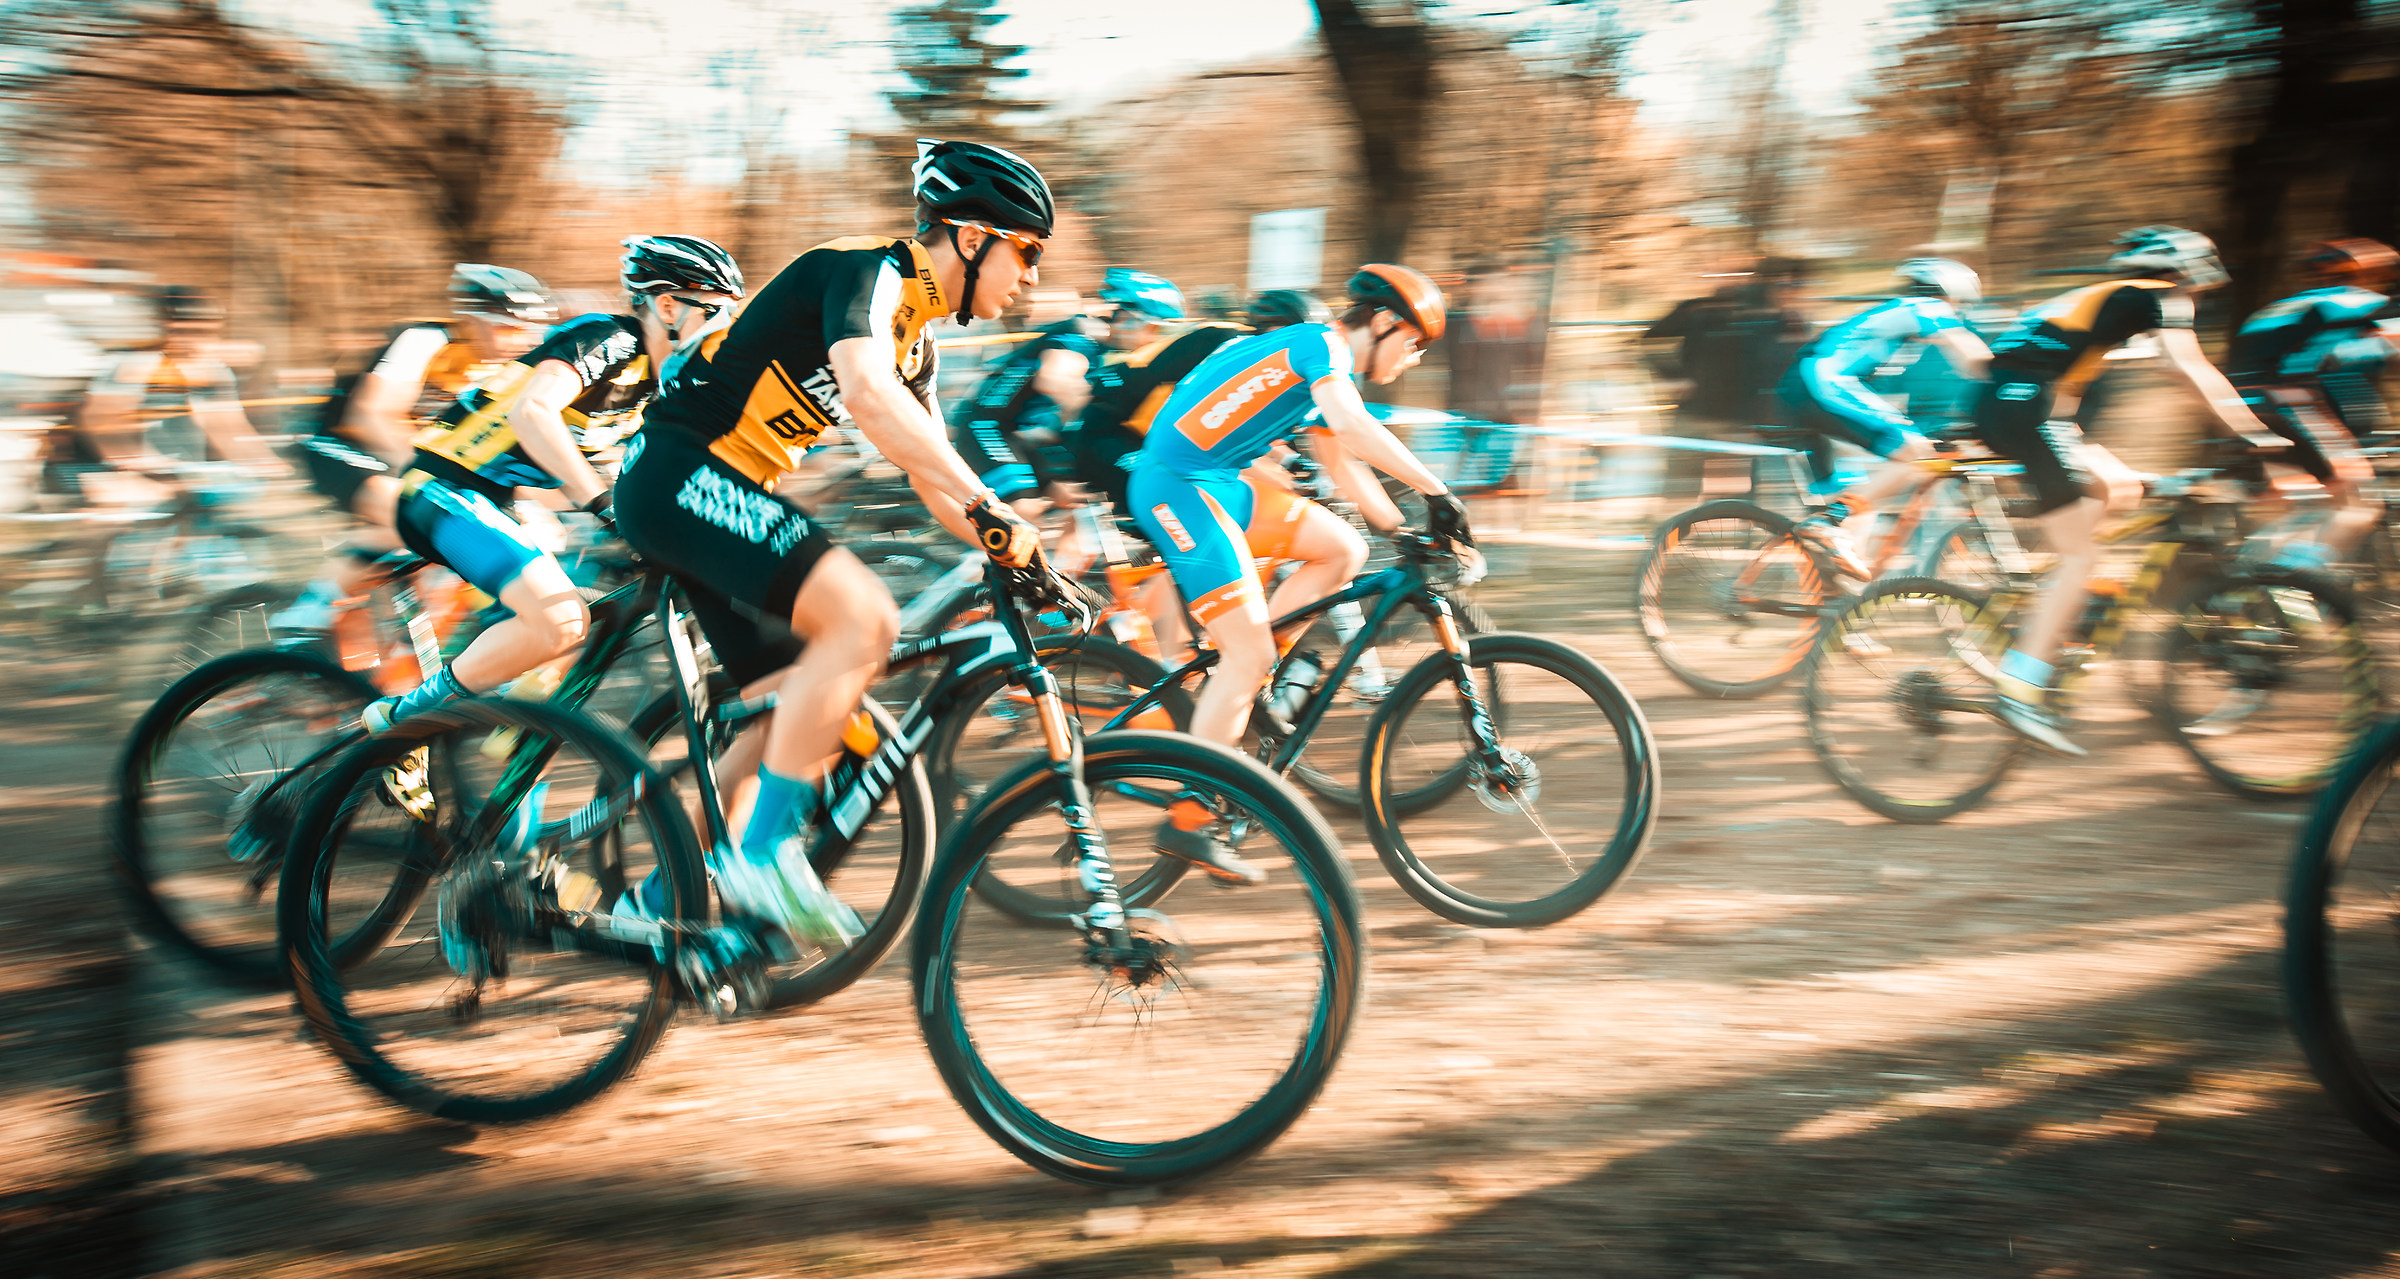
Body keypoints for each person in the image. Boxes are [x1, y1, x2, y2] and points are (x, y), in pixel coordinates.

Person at [607, 139, 1048, 952]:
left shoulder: (918, 339)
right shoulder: (868, 271)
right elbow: (867, 395)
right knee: (864, 619)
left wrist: (1018, 550)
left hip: (718, 491)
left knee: (786, 706)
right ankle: (764, 854)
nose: (1031, 276)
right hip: (681, 473)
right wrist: (988, 505)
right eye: (1026, 252)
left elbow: (929, 476)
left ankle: (655, 896)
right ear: (974, 237)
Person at [1128, 266, 1468, 883]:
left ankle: (1258, 670)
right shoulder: (1321, 347)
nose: (1414, 359)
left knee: (1341, 548)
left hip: (1215, 485)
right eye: (1415, 343)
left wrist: (1402, 531)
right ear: (1386, 321)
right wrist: (1439, 491)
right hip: (1177, 486)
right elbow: (1355, 429)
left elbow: (1344, 464)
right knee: (1246, 653)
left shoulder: (1318, 366)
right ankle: (1187, 816)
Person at [359, 236, 747, 740]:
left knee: (566, 644)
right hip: (443, 489)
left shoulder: (660, 382)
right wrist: (604, 506)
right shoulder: (611, 340)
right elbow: (533, 412)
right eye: (715, 311)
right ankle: (401, 722)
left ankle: (511, 778)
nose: (725, 327)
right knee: (561, 621)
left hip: (501, 505)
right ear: (668, 305)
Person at [1973, 225, 2278, 756]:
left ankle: (2065, 609)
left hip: (2018, 403)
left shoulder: (2104, 301)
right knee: (2079, 558)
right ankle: (2020, 687)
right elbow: (2186, 366)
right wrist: (2252, 432)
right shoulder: (2154, 295)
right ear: (2185, 271)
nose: (2199, 295)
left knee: (2120, 489)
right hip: (2027, 405)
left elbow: (2057, 386)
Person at [282, 265, 559, 634]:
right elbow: (371, 416)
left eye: (529, 331)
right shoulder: (427, 340)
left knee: (499, 527)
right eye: (507, 327)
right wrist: (433, 479)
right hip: (341, 442)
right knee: (412, 509)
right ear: (470, 320)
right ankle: (307, 614)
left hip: (405, 455)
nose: (519, 341)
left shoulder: (504, 367)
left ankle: (413, 641)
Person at [1783, 258, 1993, 577]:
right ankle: (1829, 522)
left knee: (1863, 495)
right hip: (1824, 384)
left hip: (1799, 389)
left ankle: (1837, 597)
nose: (1958, 312)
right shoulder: (1925, 307)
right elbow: (1974, 359)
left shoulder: (1891, 317)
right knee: (1918, 454)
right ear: (1947, 294)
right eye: (1959, 304)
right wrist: (2009, 385)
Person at [936, 266, 1185, 534]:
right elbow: (1054, 380)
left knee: (1077, 510)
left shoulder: (1110, 350)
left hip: (1024, 435)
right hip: (987, 426)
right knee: (1024, 510)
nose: (1153, 339)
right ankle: (985, 566)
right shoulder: (1082, 334)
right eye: (1153, 329)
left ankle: (1062, 572)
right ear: (1130, 318)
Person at [2225, 237, 2400, 567]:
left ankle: (2244, 578)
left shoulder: (2290, 305)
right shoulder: (2363, 304)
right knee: (2357, 498)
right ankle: (2301, 580)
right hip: (2287, 400)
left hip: (2240, 405)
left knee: (2306, 502)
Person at [57, 286, 278, 495]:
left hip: (178, 474)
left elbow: (227, 425)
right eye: (181, 331)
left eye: (203, 332)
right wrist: (136, 460)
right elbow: (102, 420)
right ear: (163, 329)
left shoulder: (214, 371)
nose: (192, 341)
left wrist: (264, 462)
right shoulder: (134, 364)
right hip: (110, 469)